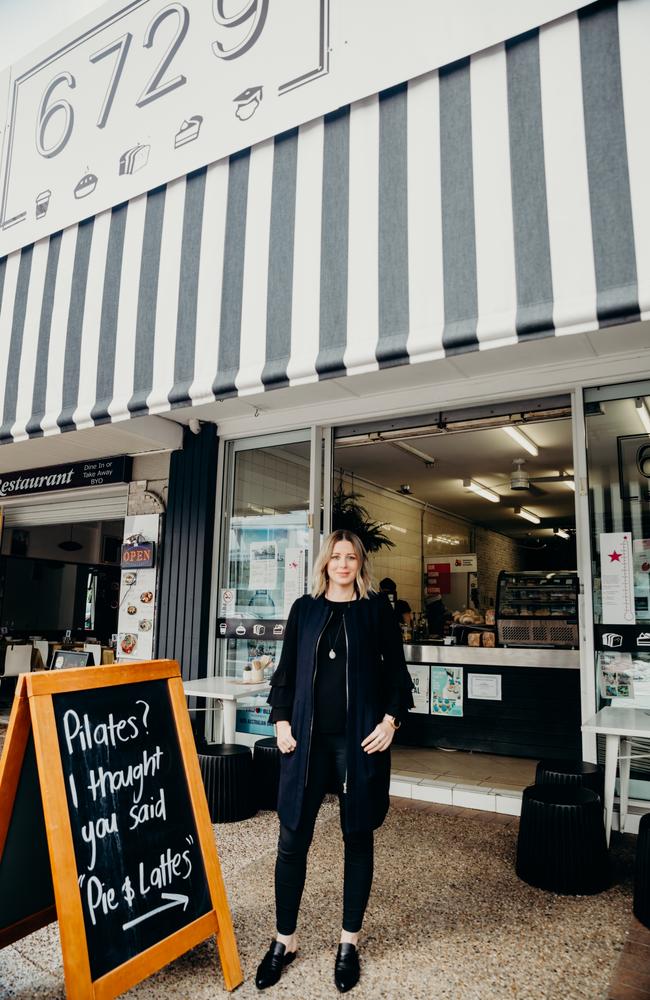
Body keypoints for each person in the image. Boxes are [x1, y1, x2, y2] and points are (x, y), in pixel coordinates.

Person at [255, 530, 414, 993]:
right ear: (325, 563)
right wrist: (281, 722)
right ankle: (285, 940)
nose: (342, 564)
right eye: (336, 557)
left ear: (359, 564)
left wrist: (391, 722)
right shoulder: (304, 610)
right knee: (291, 839)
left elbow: (397, 676)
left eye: (351, 558)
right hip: (305, 741)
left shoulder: (375, 612)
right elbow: (285, 673)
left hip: (358, 742)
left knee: (357, 835)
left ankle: (349, 943)